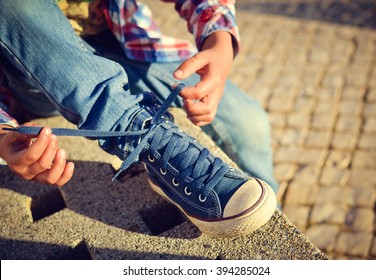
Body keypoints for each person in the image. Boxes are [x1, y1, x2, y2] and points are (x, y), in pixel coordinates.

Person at [0, 0, 277, 237]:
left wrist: (220, 42)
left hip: (127, 46)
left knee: (247, 122)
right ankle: (137, 131)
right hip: (35, 75)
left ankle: (274, 218)